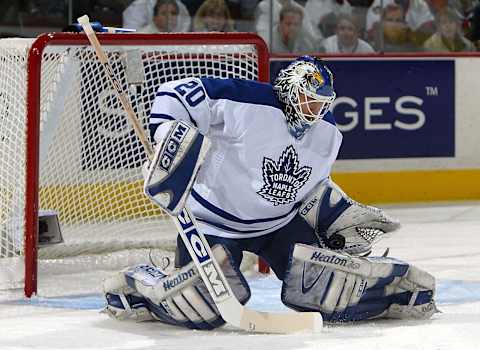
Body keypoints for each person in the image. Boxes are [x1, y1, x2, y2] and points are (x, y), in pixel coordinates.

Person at [102, 56, 438, 330]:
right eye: (309, 99)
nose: (315, 110)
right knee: (201, 303)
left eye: (321, 103)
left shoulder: (328, 133)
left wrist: (335, 216)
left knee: (324, 289)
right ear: (290, 91)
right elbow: (175, 92)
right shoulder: (246, 101)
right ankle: (141, 285)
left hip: (278, 226)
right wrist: (168, 138)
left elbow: (311, 188)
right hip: (212, 223)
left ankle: (390, 295)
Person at [123, 0, 191, 32]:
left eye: (173, 13)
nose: (169, 17)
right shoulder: (143, 34)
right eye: (164, 13)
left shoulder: (179, 5)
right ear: (154, 18)